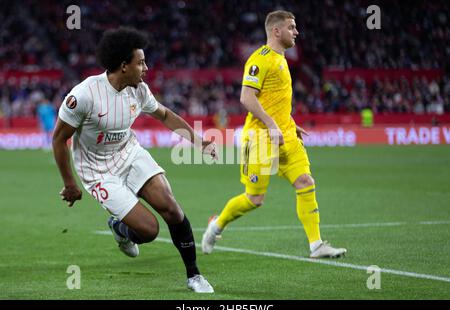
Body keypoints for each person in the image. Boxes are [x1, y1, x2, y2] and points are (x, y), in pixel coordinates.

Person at [52, 27, 217, 293]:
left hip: (129, 153)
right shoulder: (84, 95)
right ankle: (119, 228)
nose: (146, 68)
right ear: (123, 65)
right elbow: (59, 139)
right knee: (149, 231)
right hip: (97, 171)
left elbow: (164, 115)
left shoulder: (138, 90)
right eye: (140, 62)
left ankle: (194, 275)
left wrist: (198, 141)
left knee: (172, 209)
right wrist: (70, 183)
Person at [202, 10, 347, 259]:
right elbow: (246, 97)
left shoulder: (282, 60)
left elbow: (274, 101)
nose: (296, 31)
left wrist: (289, 122)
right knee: (254, 199)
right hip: (259, 138)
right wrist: (271, 124)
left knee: (305, 182)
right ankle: (216, 225)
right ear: (276, 31)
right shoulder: (261, 59)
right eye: (291, 27)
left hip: (285, 135)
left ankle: (316, 245)